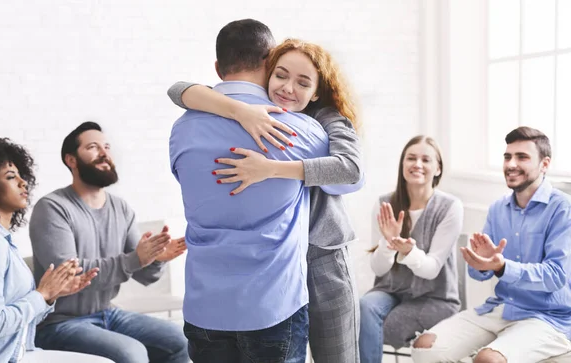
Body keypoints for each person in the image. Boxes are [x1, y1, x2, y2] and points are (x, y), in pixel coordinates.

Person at [169, 19, 359, 363]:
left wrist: (271, 168)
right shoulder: (303, 132)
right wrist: (241, 112)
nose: (288, 87)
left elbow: (351, 172)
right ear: (268, 64)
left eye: (302, 81)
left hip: (212, 301)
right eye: (282, 75)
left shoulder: (182, 129)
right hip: (273, 299)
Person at [29, 122, 189, 363]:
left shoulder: (120, 208)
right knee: (132, 353)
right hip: (59, 323)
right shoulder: (52, 208)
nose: (105, 153)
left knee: (182, 341)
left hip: (108, 312)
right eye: (93, 147)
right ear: (71, 160)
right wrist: (137, 258)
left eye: (107, 146)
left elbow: (144, 276)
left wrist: (155, 258)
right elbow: (70, 276)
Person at [411, 126, 571, 363]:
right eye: (507, 157)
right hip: (501, 307)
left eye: (522, 157)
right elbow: (480, 273)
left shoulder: (562, 208)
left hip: (549, 317)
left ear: (544, 164)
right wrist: (483, 264)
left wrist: (502, 267)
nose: (511, 164)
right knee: (424, 347)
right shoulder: (498, 209)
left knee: (487, 360)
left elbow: (556, 276)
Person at [0, 137, 110, 363]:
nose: (22, 182)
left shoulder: (2, 241)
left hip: (18, 352)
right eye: (10, 177)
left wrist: (50, 296)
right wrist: (40, 294)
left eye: (20, 175)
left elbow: (20, 324)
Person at [358, 135, 463, 363]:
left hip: (435, 298)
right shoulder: (385, 203)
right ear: (402, 165)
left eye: (426, 160)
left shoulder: (450, 207)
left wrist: (407, 252)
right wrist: (389, 242)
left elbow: (432, 269)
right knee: (363, 307)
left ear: (438, 169)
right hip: (391, 291)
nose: (417, 164)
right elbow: (378, 268)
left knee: (368, 325)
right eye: (411, 158)